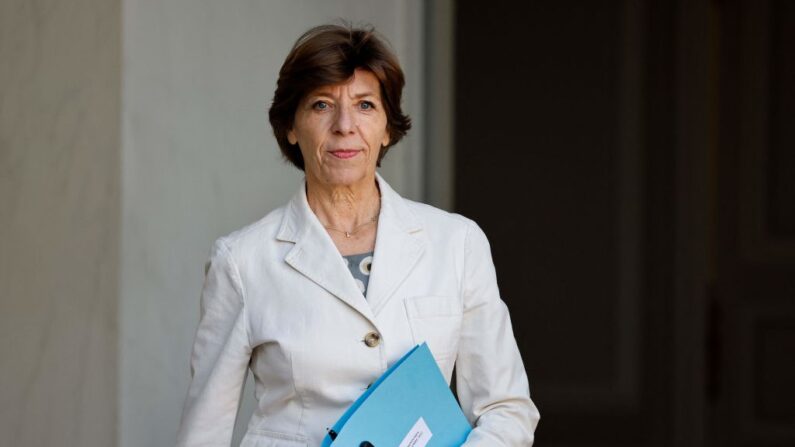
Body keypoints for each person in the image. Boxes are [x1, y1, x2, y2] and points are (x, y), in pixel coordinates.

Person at [177, 23, 539, 446]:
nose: (344, 125)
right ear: (292, 127)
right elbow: (204, 431)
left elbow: (505, 409)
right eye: (321, 105)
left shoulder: (457, 244)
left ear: (388, 127)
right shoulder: (242, 261)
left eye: (365, 105)